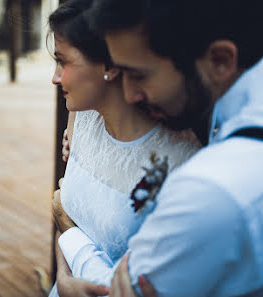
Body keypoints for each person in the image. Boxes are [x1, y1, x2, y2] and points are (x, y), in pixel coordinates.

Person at [54, 0, 263, 296]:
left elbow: (116, 292)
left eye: (139, 75)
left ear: (220, 61)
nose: (129, 94)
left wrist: (68, 230)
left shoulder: (207, 188)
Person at [46, 0, 200, 296]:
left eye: (63, 61)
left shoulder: (180, 160)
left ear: (110, 65)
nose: (55, 77)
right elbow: (65, 212)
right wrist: (63, 277)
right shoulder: (82, 116)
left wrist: (70, 238)